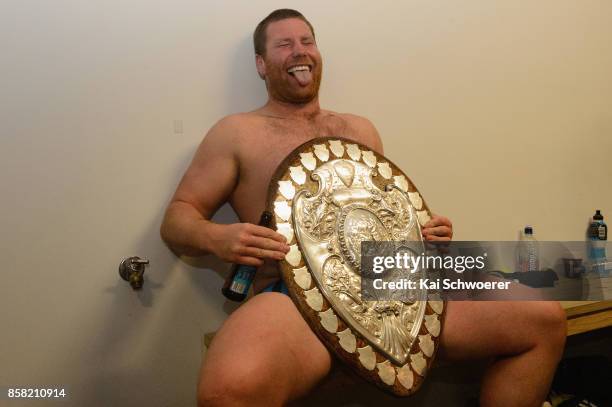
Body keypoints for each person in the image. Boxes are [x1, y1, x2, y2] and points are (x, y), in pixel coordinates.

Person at [160, 9, 566, 407]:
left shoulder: (361, 130)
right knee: (227, 391)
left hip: (391, 280)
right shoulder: (235, 133)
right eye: (284, 44)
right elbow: (178, 218)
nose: (299, 51)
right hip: (295, 296)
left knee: (542, 319)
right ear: (261, 64)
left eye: (307, 41)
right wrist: (218, 236)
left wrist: (425, 231)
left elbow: (381, 218)